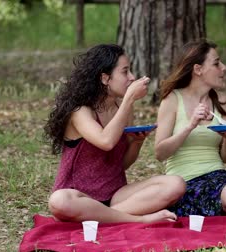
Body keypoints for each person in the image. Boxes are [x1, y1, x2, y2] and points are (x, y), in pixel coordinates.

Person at [44, 44, 186, 223]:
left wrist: (136, 143)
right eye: (125, 72)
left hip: (115, 196)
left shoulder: (123, 107)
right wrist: (129, 99)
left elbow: (120, 164)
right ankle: (139, 220)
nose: (132, 77)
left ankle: (102, 217)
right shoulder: (79, 111)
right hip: (79, 197)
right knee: (59, 201)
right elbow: (106, 141)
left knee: (176, 184)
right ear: (105, 78)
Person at [154, 39, 226, 216]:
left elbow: (225, 157)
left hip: (216, 175)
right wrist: (189, 126)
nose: (224, 68)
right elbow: (160, 153)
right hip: (182, 181)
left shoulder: (221, 101)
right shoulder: (172, 100)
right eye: (216, 63)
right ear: (198, 69)